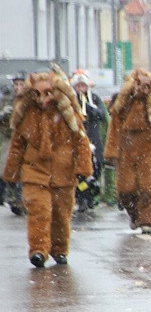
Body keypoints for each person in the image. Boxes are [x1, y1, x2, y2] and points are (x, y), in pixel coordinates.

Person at [2, 68, 92, 267]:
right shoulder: (26, 115)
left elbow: (81, 142)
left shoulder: (69, 115)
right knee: (39, 211)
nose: (42, 99)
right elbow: (17, 144)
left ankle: (59, 249)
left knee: (61, 213)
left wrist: (83, 167)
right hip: (34, 171)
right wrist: (11, 172)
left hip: (63, 171)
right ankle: (39, 250)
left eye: (47, 93)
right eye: (37, 94)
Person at [103, 69, 151, 234]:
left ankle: (147, 221)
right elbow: (114, 129)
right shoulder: (122, 106)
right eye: (137, 85)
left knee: (149, 188)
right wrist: (111, 151)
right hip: (126, 151)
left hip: (150, 151)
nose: (140, 89)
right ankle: (135, 215)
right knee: (125, 190)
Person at [70, 71, 108, 212]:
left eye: (83, 86)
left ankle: (92, 195)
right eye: (78, 86)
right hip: (79, 139)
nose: (81, 89)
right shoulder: (71, 100)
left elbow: (102, 114)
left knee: (95, 169)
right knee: (80, 172)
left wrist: (90, 108)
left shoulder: (94, 98)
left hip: (93, 139)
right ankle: (82, 197)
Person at [0, 70, 28, 213]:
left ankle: (20, 199)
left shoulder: (29, 99)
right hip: (9, 139)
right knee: (7, 170)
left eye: (21, 84)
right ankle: (13, 197)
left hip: (25, 140)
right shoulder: (9, 99)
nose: (18, 87)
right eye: (16, 84)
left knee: (23, 171)